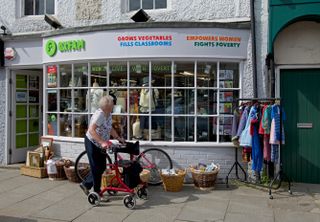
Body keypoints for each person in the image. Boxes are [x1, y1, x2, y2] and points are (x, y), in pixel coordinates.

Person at [80, 95, 125, 197]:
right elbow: (91, 130)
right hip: (92, 143)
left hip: (100, 144)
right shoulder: (100, 115)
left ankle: (85, 184)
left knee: (101, 167)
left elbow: (109, 128)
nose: (113, 106)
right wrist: (102, 142)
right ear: (107, 106)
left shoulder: (108, 114)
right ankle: (97, 193)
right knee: (96, 168)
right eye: (112, 105)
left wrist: (118, 138)